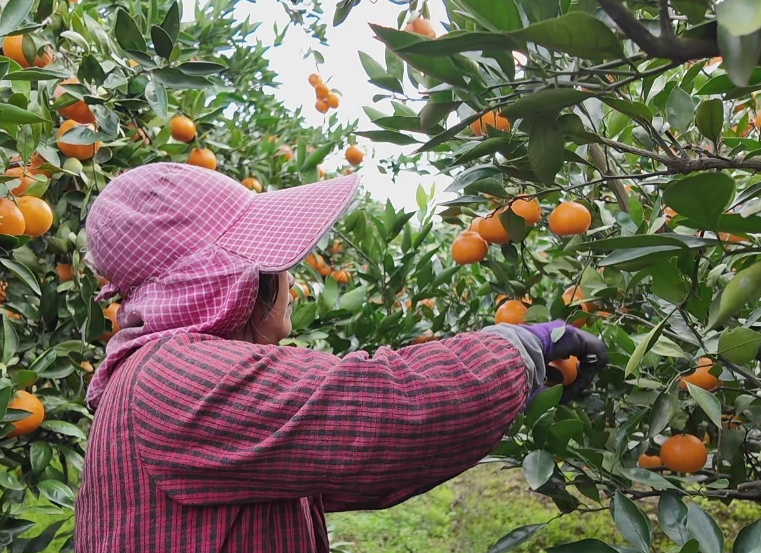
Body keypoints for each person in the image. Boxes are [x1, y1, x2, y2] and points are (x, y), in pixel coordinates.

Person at [74, 163, 607, 553]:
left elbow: (356, 464)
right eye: (279, 261)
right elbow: (388, 408)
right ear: (239, 283)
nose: (291, 279)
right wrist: (521, 348)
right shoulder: (173, 378)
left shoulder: (155, 374)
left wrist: (505, 400)